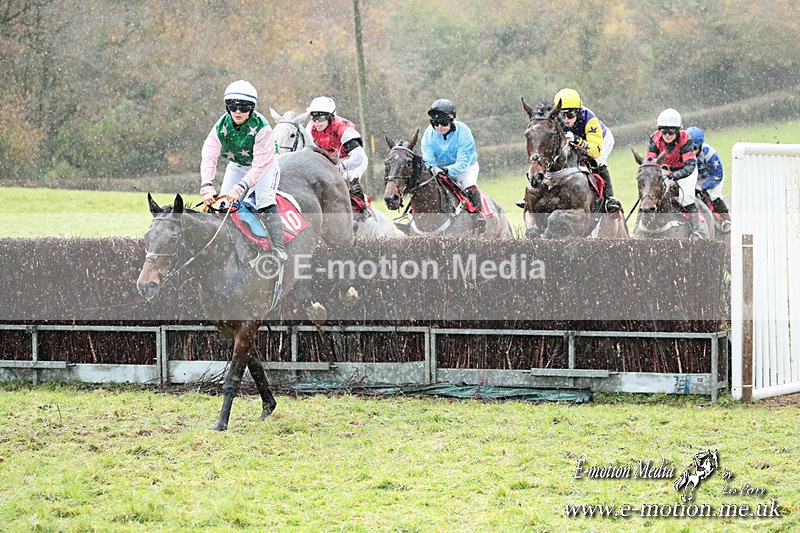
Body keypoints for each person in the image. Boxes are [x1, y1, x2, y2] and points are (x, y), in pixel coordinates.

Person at [199, 80, 286, 260]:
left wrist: (240, 188)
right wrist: (207, 186)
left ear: (252, 108)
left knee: (264, 201)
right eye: (233, 106)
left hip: (264, 166)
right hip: (238, 165)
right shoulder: (220, 126)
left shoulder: (263, 128)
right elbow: (209, 155)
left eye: (244, 107)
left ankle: (278, 248)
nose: (238, 112)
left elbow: (260, 165)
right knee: (223, 206)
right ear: (227, 107)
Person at [554, 88, 621, 213]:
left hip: (601, 141)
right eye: (561, 115)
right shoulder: (558, 121)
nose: (565, 119)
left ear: (578, 112)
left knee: (598, 161)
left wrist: (578, 141)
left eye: (569, 114)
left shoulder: (590, 121)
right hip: (578, 141)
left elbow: (595, 151)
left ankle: (609, 199)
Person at [421, 98, 485, 230]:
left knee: (468, 184)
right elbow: (428, 160)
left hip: (466, 168)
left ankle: (477, 216)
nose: (439, 127)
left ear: (451, 121)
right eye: (435, 123)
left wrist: (446, 171)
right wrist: (435, 170)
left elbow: (462, 163)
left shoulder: (464, 132)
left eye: (443, 123)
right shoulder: (428, 134)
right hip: (438, 169)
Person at [645, 108, 704, 239]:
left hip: (685, 170)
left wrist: (676, 175)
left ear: (678, 131)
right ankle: (639, 225)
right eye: (664, 131)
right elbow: (650, 161)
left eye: (671, 131)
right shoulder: (654, 138)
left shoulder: (685, 139)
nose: (667, 135)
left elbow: (690, 165)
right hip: (665, 169)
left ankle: (696, 231)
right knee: (649, 194)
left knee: (687, 198)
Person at [304, 96, 369, 212]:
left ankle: (361, 209)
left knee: (346, 179)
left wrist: (340, 167)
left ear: (330, 116)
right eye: (314, 117)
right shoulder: (310, 128)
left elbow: (358, 157)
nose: (317, 122)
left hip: (351, 161)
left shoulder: (344, 129)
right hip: (331, 161)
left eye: (321, 117)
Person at [686, 126, 731, 232]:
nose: (691, 152)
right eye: (689, 148)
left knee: (713, 196)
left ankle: (726, 219)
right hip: (695, 178)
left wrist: (703, 187)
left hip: (713, 177)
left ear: (700, 146)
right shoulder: (683, 153)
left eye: (694, 149)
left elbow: (717, 175)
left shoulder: (710, 154)